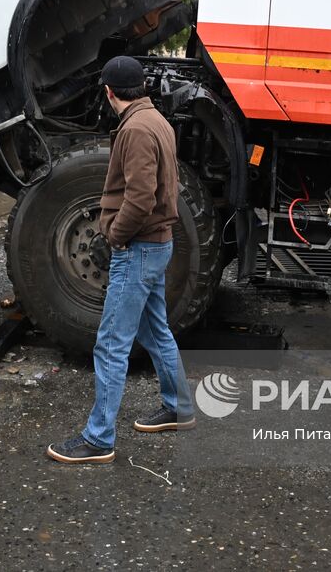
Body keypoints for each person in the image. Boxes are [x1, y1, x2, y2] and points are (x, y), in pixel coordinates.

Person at [47, 55, 195, 465]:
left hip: (138, 248)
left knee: (111, 344)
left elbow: (141, 195)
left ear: (109, 92)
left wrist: (115, 235)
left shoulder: (136, 129)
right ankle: (178, 406)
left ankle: (99, 438)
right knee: (157, 331)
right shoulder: (157, 122)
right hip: (156, 244)